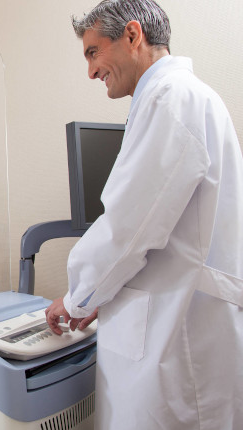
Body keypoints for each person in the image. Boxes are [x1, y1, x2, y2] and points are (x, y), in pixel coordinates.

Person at [44, 0, 243, 428]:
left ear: (133, 36)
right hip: (186, 321)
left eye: (94, 52)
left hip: (178, 335)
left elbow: (128, 229)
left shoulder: (171, 99)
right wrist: (98, 296)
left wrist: (78, 296)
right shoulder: (181, 98)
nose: (91, 71)